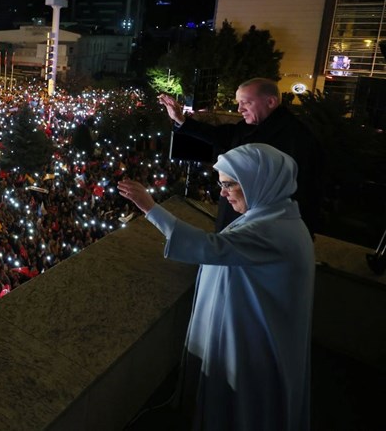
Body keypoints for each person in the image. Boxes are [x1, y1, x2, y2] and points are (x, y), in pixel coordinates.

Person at [118, 143, 314, 430]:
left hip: (254, 344)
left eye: (228, 185)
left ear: (257, 181)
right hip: (254, 333)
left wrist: (150, 208)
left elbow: (210, 248)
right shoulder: (275, 216)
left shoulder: (274, 230)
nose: (221, 193)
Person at [159, 77, 322, 236]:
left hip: (264, 231)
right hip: (236, 219)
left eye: (246, 103)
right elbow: (218, 135)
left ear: (270, 102)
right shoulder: (249, 126)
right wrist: (181, 119)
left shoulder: (297, 139)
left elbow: (304, 191)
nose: (239, 109)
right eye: (239, 103)